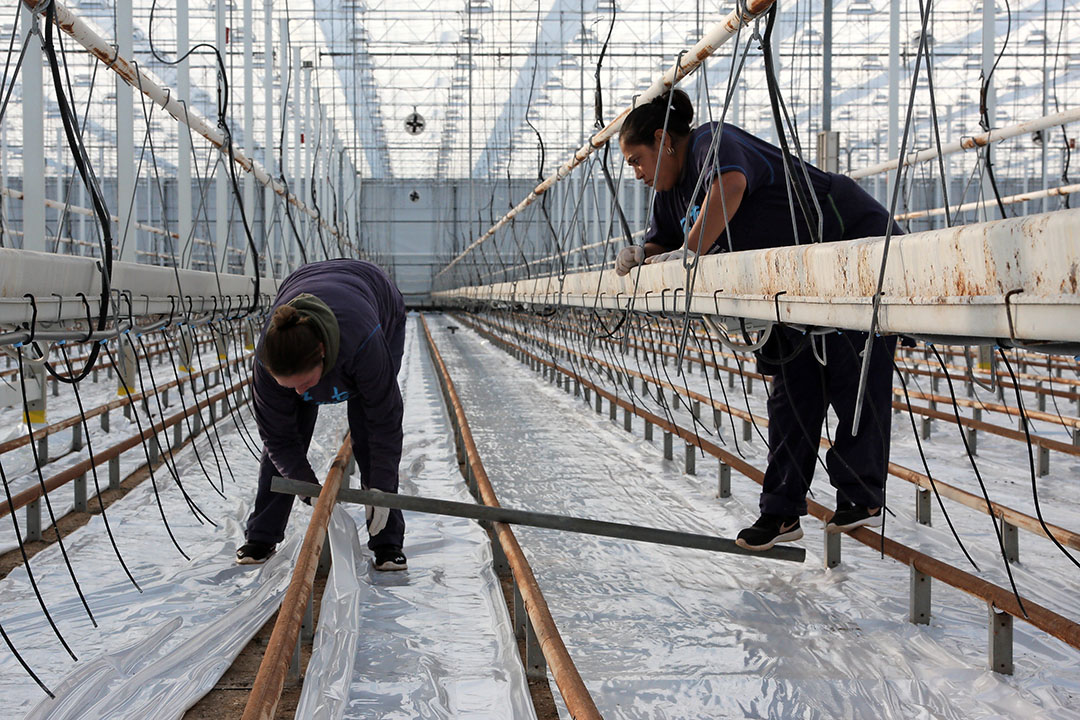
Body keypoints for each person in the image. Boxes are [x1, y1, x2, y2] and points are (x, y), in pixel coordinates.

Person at [615, 89, 899, 551]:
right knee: (791, 396)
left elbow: (730, 187)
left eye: (636, 160)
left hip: (846, 243)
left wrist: (688, 254)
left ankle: (861, 495)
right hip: (790, 286)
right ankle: (781, 512)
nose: (638, 174)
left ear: (664, 139)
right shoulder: (669, 193)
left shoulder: (712, 142)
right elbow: (661, 239)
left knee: (856, 375)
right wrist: (640, 255)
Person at [236, 259, 408, 571]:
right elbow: (277, 436)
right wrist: (305, 486)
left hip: (378, 301)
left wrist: (380, 487)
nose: (300, 393)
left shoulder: (363, 343)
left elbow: (384, 419)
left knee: (368, 434)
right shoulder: (269, 357)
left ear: (322, 352)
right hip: (313, 286)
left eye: (304, 383)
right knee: (290, 439)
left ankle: (387, 540)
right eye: (290, 386)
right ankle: (262, 536)